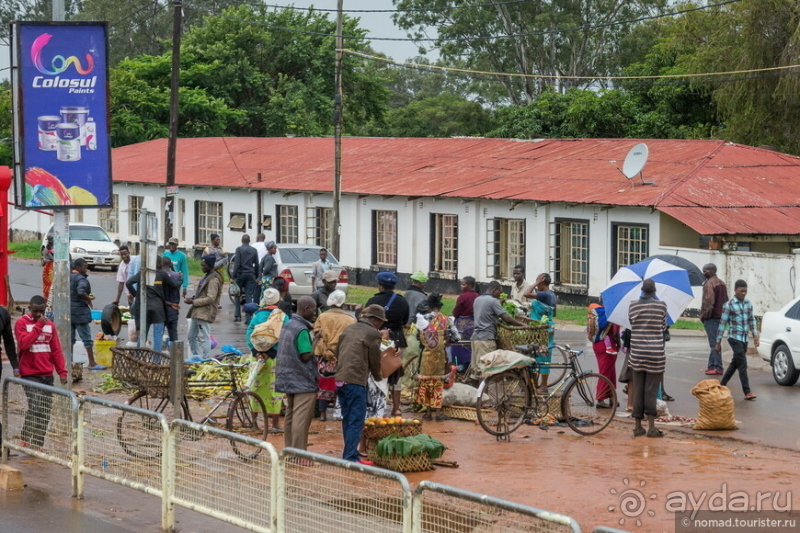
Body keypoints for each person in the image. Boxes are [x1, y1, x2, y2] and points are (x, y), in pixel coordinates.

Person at [334, 304, 385, 465]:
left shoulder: (349, 329)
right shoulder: (372, 334)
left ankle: (350, 452)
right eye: (381, 322)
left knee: (347, 418)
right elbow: (375, 360)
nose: (381, 325)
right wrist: (378, 376)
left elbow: (337, 352)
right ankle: (350, 456)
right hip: (355, 380)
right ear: (375, 320)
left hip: (340, 379)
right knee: (356, 419)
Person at [15, 295, 67, 448]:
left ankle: (38, 444)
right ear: (29, 309)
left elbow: (56, 350)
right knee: (36, 406)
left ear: (45, 309)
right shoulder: (21, 323)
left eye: (41, 311)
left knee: (44, 411)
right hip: (29, 374)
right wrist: (38, 326)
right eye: (35, 311)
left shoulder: (50, 325)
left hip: (47, 375)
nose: (39, 314)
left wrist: (62, 371)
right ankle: (26, 436)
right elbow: (24, 344)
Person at [274, 296, 318, 454]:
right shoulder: (301, 329)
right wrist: (316, 340)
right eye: (313, 310)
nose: (315, 313)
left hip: (287, 376)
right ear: (306, 309)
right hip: (302, 379)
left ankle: (290, 450)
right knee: (301, 418)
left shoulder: (289, 324)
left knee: (290, 416)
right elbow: (305, 356)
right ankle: (300, 453)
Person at [366, 271, 410, 417]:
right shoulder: (402, 301)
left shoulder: (372, 301)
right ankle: (396, 408)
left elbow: (366, 320)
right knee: (396, 372)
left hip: (376, 339)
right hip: (397, 340)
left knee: (375, 372)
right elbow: (405, 321)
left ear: (380, 285)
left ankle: (375, 405)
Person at [628, 279, 668, 438]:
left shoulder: (632, 306)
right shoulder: (661, 306)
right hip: (655, 354)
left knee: (638, 390)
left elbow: (632, 324)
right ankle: (651, 427)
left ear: (642, 290)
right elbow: (663, 327)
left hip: (637, 353)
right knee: (651, 391)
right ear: (654, 291)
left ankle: (637, 426)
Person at [245, 288, 288, 434]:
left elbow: (249, 334)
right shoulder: (282, 316)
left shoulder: (257, 315)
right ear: (278, 300)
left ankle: (253, 422)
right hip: (274, 358)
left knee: (255, 387)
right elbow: (285, 337)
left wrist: (256, 352)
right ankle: (275, 424)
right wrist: (271, 352)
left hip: (257, 358)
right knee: (275, 390)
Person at [416, 293, 460, 421]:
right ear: (439, 307)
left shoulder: (423, 319)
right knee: (438, 384)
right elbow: (456, 337)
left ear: (429, 307)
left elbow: (418, 337)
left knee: (426, 383)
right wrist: (446, 340)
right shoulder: (447, 320)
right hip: (441, 356)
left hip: (426, 356)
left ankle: (428, 412)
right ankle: (438, 413)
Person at [312, 289, 355, 422]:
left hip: (324, 355)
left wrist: (327, 352)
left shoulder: (322, 317)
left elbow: (317, 335)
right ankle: (340, 411)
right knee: (340, 383)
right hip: (342, 356)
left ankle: (323, 414)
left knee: (323, 383)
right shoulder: (351, 319)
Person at [469, 281, 525, 380]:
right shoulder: (493, 301)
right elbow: (507, 319)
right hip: (486, 339)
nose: (500, 294)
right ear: (494, 290)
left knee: (476, 371)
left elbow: (486, 313)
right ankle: (483, 390)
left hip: (476, 339)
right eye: (500, 292)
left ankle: (476, 389)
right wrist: (523, 325)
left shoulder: (478, 299)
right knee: (487, 371)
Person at [716, 280, 759, 401]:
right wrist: (718, 342)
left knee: (735, 362)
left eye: (745, 291)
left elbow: (751, 320)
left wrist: (755, 335)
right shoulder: (728, 305)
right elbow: (722, 324)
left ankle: (722, 385)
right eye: (741, 291)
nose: (743, 293)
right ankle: (747, 391)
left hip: (744, 338)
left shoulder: (748, 304)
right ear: (735, 290)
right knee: (742, 363)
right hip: (734, 337)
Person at [127, 256, 180, 352]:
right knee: (158, 336)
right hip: (158, 309)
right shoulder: (162, 274)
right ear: (159, 263)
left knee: (142, 336)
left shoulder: (143, 273)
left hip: (144, 308)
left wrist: (136, 295)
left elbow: (128, 282)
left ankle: (138, 358)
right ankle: (156, 359)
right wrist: (179, 277)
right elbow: (174, 285)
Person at [185, 255, 223, 360]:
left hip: (205, 312)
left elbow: (210, 298)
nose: (202, 267)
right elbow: (202, 293)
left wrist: (194, 302)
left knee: (205, 337)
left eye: (204, 265)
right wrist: (193, 298)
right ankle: (196, 357)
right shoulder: (206, 276)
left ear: (210, 266)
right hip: (197, 311)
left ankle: (206, 359)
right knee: (191, 336)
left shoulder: (213, 279)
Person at [70, 258, 103, 370]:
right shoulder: (81, 278)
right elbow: (81, 291)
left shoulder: (68, 277)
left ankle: (69, 362)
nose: (86, 270)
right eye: (85, 267)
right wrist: (88, 299)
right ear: (78, 267)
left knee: (70, 339)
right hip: (80, 313)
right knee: (87, 339)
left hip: (69, 312)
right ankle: (92, 363)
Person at [589, 303, 620, 409]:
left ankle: (612, 397)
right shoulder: (614, 314)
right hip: (608, 346)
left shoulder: (601, 312)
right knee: (605, 373)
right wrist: (619, 344)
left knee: (610, 371)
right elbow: (615, 333)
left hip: (597, 344)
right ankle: (600, 399)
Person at [701, 263, 728, 375]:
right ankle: (711, 365)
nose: (703, 273)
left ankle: (718, 367)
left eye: (705, 271)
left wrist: (704, 316)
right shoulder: (722, 283)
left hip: (712, 317)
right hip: (721, 317)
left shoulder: (709, 284)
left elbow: (708, 302)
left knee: (714, 343)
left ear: (712, 271)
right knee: (716, 341)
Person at [451, 276, 479, 371]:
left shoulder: (462, 297)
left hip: (462, 324)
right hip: (474, 324)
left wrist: (455, 314)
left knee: (460, 344)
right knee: (471, 345)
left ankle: (461, 365)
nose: (461, 286)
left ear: (470, 285)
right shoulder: (477, 296)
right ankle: (471, 364)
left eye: (463, 284)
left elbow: (456, 311)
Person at [232, 234, 260, 323]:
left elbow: (237, 264)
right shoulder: (254, 250)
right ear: (249, 240)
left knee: (237, 294)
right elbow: (257, 264)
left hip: (240, 274)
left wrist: (233, 276)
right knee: (249, 295)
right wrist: (256, 276)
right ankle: (248, 318)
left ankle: (237, 316)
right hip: (250, 274)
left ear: (241, 240)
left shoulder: (239, 249)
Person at [160, 256, 183, 346]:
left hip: (162, 308)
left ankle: (158, 352)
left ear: (161, 264)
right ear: (171, 264)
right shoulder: (178, 276)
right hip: (174, 308)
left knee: (159, 334)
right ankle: (175, 353)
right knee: (173, 335)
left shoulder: (159, 276)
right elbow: (178, 286)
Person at [42, 235, 54, 302]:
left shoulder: (51, 247)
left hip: (50, 266)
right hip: (49, 267)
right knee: (49, 284)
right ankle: (48, 300)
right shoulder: (47, 249)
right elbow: (53, 258)